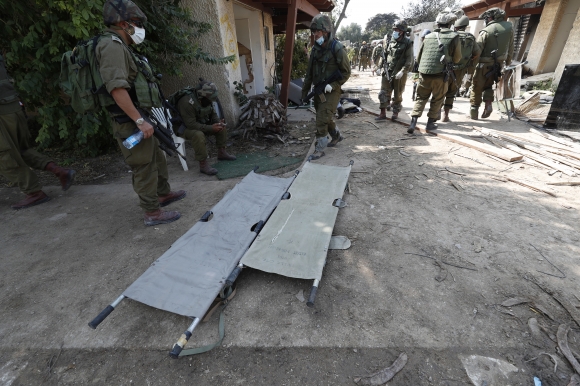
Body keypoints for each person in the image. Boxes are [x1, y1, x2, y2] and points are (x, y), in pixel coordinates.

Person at [97, 0, 185, 226]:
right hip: (129, 120)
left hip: (140, 116)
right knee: (143, 165)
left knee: (157, 157)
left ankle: (163, 194)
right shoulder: (111, 46)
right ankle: (152, 213)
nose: (140, 28)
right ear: (123, 23)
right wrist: (138, 120)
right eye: (136, 23)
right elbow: (116, 88)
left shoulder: (121, 45)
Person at [0, 55, 76, 210]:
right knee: (21, 150)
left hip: (3, 112)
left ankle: (34, 192)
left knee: (5, 157)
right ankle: (59, 171)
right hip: (12, 106)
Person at [301, 14, 351, 160]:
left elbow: (346, 72)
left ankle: (319, 149)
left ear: (326, 31)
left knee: (321, 119)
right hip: (319, 90)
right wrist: (304, 93)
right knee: (325, 116)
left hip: (332, 91)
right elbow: (309, 73)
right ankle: (336, 136)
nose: (315, 34)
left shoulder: (337, 48)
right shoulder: (315, 50)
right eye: (314, 31)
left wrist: (333, 84)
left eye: (318, 31)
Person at [408, 10, 461, 133]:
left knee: (420, 97)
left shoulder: (428, 36)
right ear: (450, 23)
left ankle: (413, 122)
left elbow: (419, 57)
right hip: (440, 75)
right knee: (437, 98)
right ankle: (430, 124)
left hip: (424, 74)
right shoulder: (454, 37)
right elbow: (457, 58)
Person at [174, 82, 236, 175]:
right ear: (201, 97)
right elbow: (191, 125)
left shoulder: (206, 100)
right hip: (183, 128)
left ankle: (222, 152)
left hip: (199, 124)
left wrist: (218, 122)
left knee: (221, 127)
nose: (212, 101)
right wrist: (211, 128)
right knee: (198, 135)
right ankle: (203, 164)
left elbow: (213, 114)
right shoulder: (186, 102)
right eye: (210, 99)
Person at [469, 7, 514, 120]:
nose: (486, 20)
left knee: (476, 88)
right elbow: (511, 47)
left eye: (487, 18)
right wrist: (507, 62)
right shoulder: (509, 28)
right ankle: (488, 104)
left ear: (492, 17)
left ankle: (474, 113)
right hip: (498, 65)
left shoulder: (486, 31)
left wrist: (471, 66)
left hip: (483, 65)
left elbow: (477, 51)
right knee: (489, 85)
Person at [441, 15, 481, 122]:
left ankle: (435, 113)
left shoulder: (451, 35)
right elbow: (477, 53)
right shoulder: (471, 38)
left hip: (446, 67)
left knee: (441, 90)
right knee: (452, 91)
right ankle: (445, 115)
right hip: (461, 69)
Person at [376, 20, 414, 121]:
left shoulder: (408, 43)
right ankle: (382, 113)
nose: (395, 31)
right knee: (383, 93)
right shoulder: (389, 40)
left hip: (399, 73)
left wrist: (403, 71)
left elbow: (409, 59)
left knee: (398, 95)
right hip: (387, 71)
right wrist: (379, 67)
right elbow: (384, 54)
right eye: (394, 29)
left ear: (402, 31)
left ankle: (395, 113)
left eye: (397, 29)